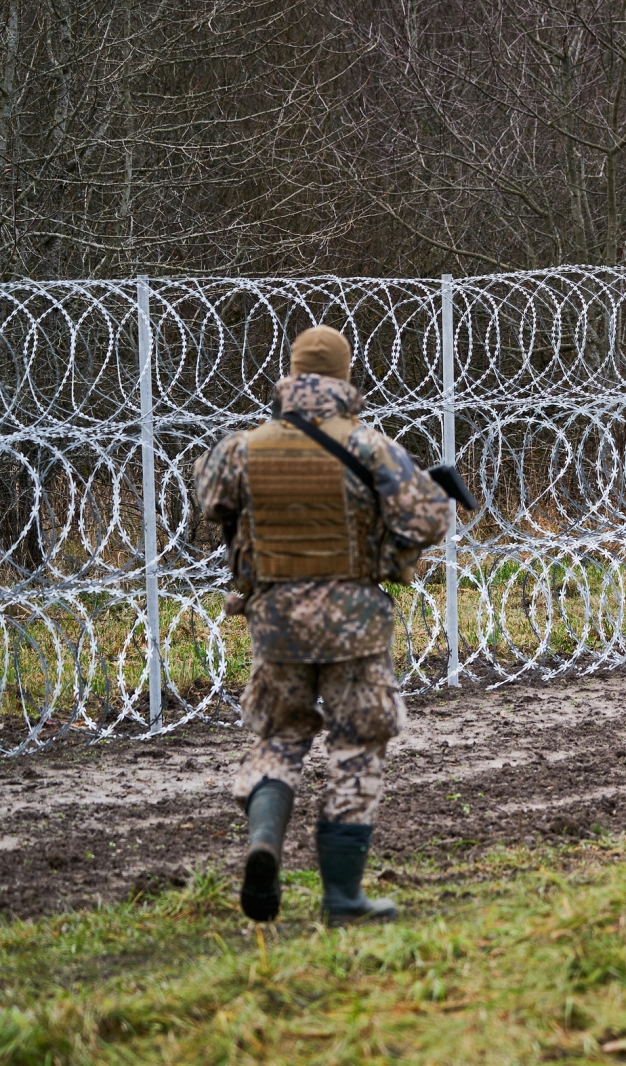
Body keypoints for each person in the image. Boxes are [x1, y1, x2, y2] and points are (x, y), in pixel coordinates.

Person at [194, 325, 451, 925]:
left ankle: (264, 845)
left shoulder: (241, 449)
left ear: (291, 375)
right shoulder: (369, 447)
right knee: (357, 743)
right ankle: (341, 897)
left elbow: (212, 504)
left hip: (275, 619)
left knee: (280, 736)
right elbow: (428, 521)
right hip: (353, 625)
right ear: (342, 378)